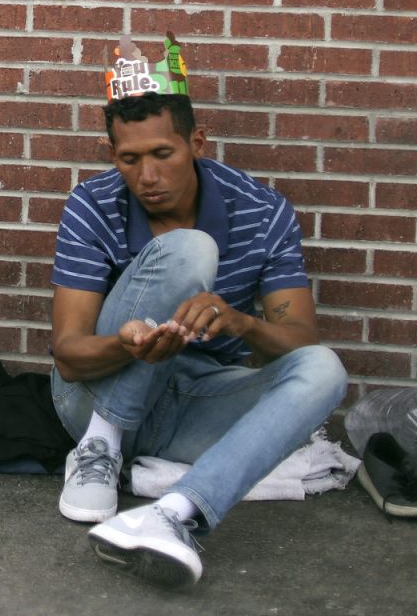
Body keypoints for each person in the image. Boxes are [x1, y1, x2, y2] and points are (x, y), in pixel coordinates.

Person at [49, 36, 347, 590]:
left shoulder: (263, 212)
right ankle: (101, 448)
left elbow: (300, 337)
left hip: (191, 406)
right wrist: (126, 346)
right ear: (111, 155)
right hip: (91, 400)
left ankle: (172, 513)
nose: (147, 177)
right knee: (192, 250)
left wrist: (241, 322)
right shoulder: (92, 205)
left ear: (198, 144)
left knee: (326, 368)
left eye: (163, 154)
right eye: (129, 159)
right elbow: (67, 357)